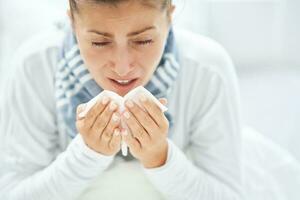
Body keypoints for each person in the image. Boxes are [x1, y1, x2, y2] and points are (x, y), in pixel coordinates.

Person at [0, 0, 243, 199]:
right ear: (72, 21)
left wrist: (160, 156)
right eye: (99, 42)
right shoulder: (35, 67)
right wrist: (87, 153)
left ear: (170, 15)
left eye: (143, 40)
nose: (122, 66)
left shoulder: (207, 72)